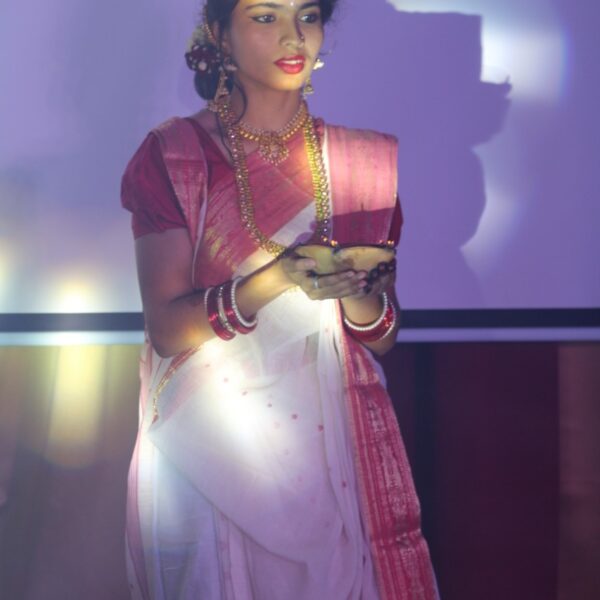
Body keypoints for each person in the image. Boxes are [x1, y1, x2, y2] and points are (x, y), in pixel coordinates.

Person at [121, 1, 438, 598]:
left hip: (329, 447)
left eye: (308, 15)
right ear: (220, 35)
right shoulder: (178, 157)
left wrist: (361, 291)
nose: (295, 36)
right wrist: (278, 278)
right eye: (266, 17)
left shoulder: (359, 163)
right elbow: (166, 328)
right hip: (212, 442)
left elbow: (380, 335)